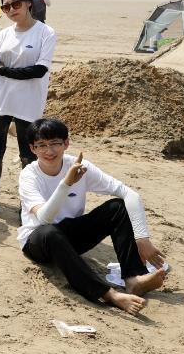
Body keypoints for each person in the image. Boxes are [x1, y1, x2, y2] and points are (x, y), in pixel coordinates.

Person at [18, 118, 167, 315]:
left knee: (117, 207)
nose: (49, 151)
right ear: (32, 148)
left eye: (55, 143)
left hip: (70, 237)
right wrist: (66, 184)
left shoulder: (80, 166)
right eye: (42, 145)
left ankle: (133, 279)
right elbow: (45, 218)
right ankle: (109, 294)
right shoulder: (29, 175)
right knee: (50, 231)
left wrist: (142, 238)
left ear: (66, 143)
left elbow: (129, 194)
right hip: (38, 241)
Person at [0, 0, 57, 220]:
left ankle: (27, 205)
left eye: (16, 4)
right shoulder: (3, 34)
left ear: (29, 3)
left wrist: (6, 72)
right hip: (0, 100)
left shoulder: (45, 32)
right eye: (6, 6)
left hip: (28, 103)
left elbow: (39, 70)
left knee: (28, 155)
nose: (11, 10)